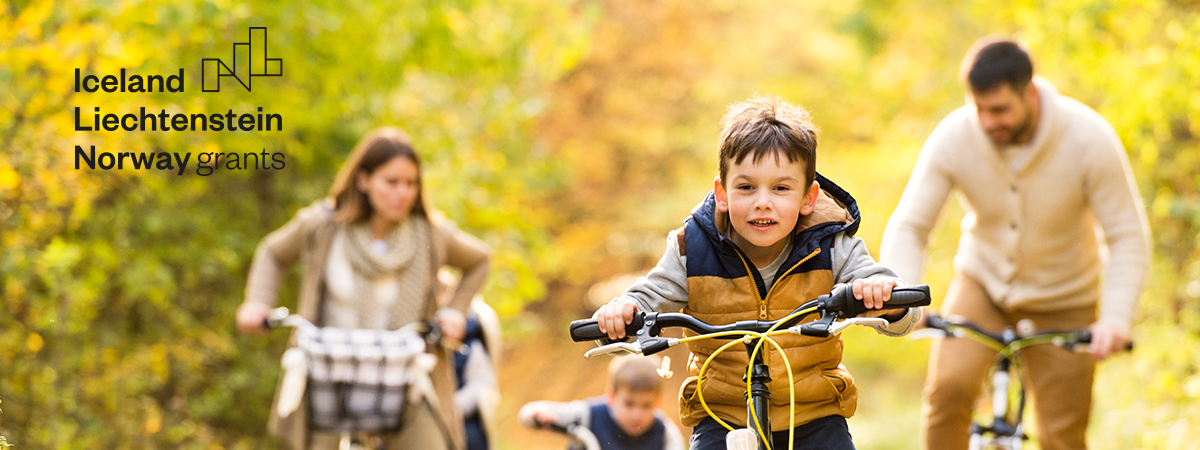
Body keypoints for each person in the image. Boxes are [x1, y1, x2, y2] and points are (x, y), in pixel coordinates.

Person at [593, 95, 922, 450]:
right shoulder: (693, 250)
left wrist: (884, 298)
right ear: (722, 193)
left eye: (781, 188)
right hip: (723, 417)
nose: (762, 201)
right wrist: (620, 313)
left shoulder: (831, 245)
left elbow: (898, 307)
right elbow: (644, 298)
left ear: (808, 198)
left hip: (814, 415)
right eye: (746, 187)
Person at [879, 38, 1150, 450]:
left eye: (1000, 110)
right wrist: (903, 293)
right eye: (980, 109)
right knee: (948, 393)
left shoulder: (1089, 139)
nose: (987, 122)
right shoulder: (954, 135)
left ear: (1032, 93)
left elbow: (1127, 235)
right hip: (982, 287)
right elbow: (910, 225)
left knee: (1062, 434)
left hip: (1066, 298)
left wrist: (1114, 318)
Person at [235, 127, 491, 450]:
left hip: (405, 374)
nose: (403, 193)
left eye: (411, 183)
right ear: (363, 180)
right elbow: (273, 253)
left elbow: (480, 259)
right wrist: (256, 304)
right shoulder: (324, 226)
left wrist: (454, 311)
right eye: (392, 182)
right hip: (329, 373)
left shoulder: (429, 235)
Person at [519, 355, 685, 450]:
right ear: (611, 397)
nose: (637, 414)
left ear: (658, 402)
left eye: (646, 405)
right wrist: (538, 415)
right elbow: (528, 413)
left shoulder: (665, 432)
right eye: (629, 404)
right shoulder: (588, 414)